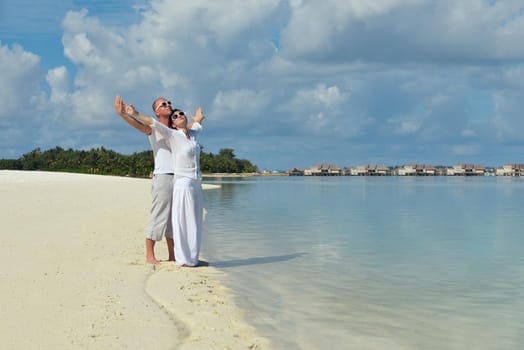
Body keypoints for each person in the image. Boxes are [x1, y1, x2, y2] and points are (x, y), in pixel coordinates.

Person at [114, 96, 203, 265]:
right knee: (159, 215)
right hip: (163, 176)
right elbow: (139, 124)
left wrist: (198, 117)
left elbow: (194, 127)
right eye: (163, 104)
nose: (168, 105)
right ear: (156, 111)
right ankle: (150, 255)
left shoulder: (176, 129)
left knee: (174, 218)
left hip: (179, 178)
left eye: (169, 102)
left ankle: (172, 254)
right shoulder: (154, 128)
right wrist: (124, 114)